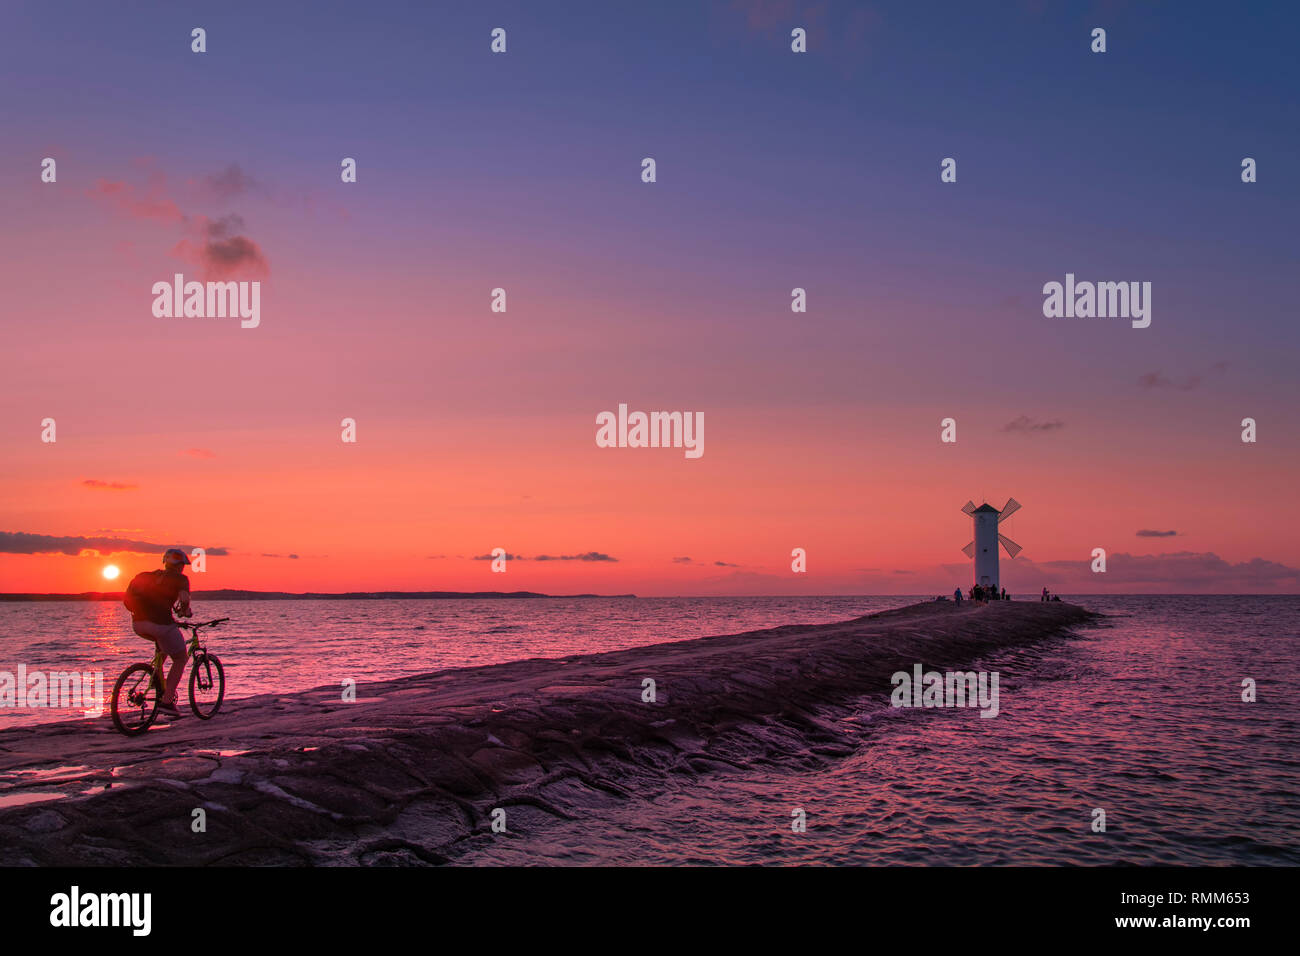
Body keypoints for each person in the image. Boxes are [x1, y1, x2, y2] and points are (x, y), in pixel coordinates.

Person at [125, 549, 193, 717]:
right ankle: (167, 701)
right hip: (161, 624)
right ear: (180, 566)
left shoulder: (145, 576)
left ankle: (156, 683)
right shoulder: (181, 579)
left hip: (138, 623)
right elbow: (184, 599)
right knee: (180, 658)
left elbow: (127, 599)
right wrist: (185, 611)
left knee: (163, 649)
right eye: (183, 566)